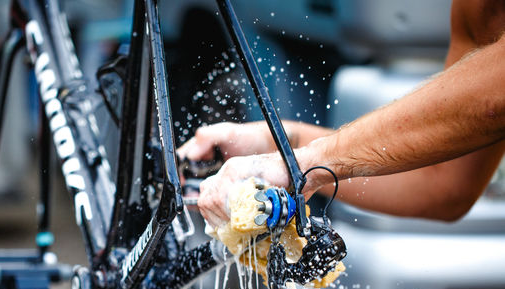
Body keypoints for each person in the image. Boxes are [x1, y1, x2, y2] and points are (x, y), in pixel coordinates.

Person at [178, 0, 505, 229]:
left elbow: (494, 94)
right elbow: (444, 184)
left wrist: (300, 166)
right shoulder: (477, 8)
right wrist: (278, 144)